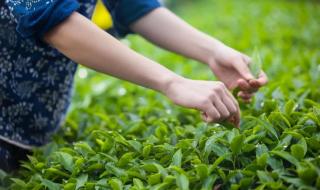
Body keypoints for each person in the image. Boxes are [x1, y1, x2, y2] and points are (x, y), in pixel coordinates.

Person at [0, 0, 267, 172]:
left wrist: (213, 51)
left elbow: (129, 5)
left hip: (37, 126)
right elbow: (54, 21)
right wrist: (172, 82)